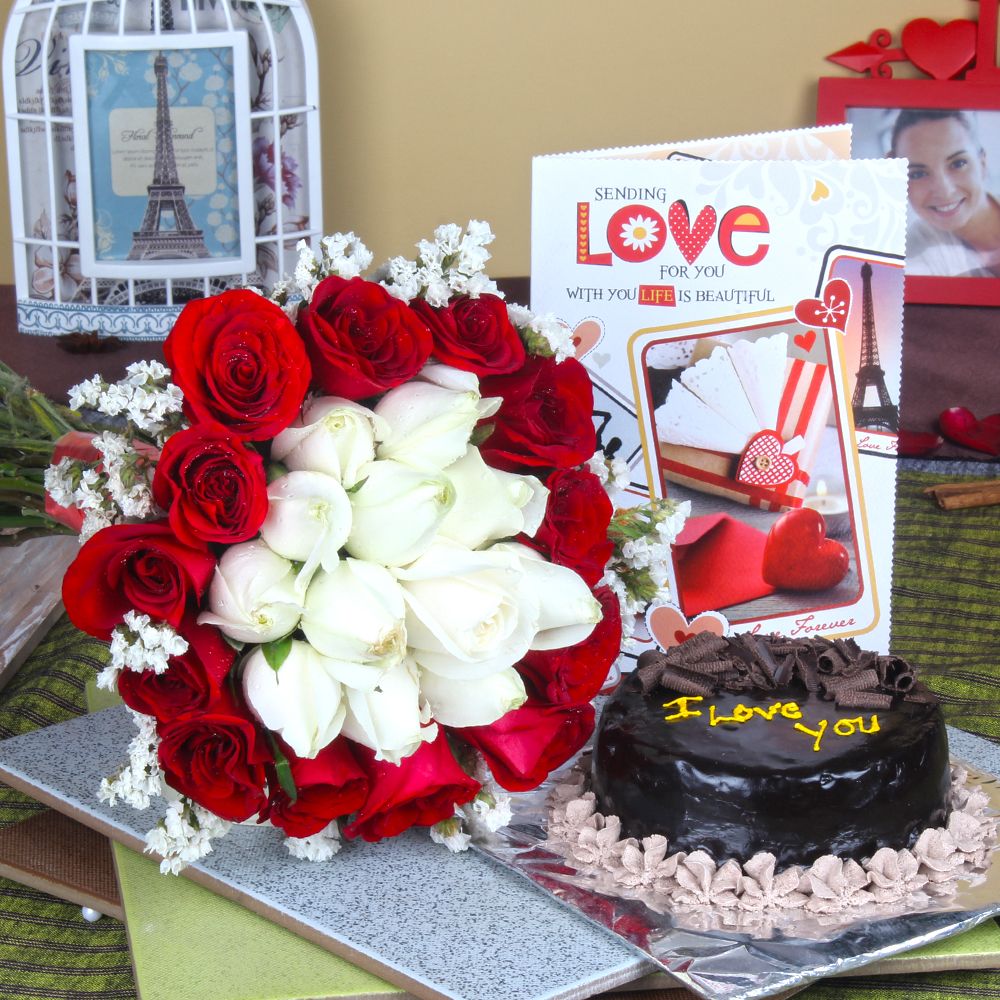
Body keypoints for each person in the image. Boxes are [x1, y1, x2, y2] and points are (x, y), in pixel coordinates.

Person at [889, 109, 1000, 277]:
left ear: (982, 163)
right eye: (917, 174)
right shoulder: (913, 250)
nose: (945, 191)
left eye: (958, 163)